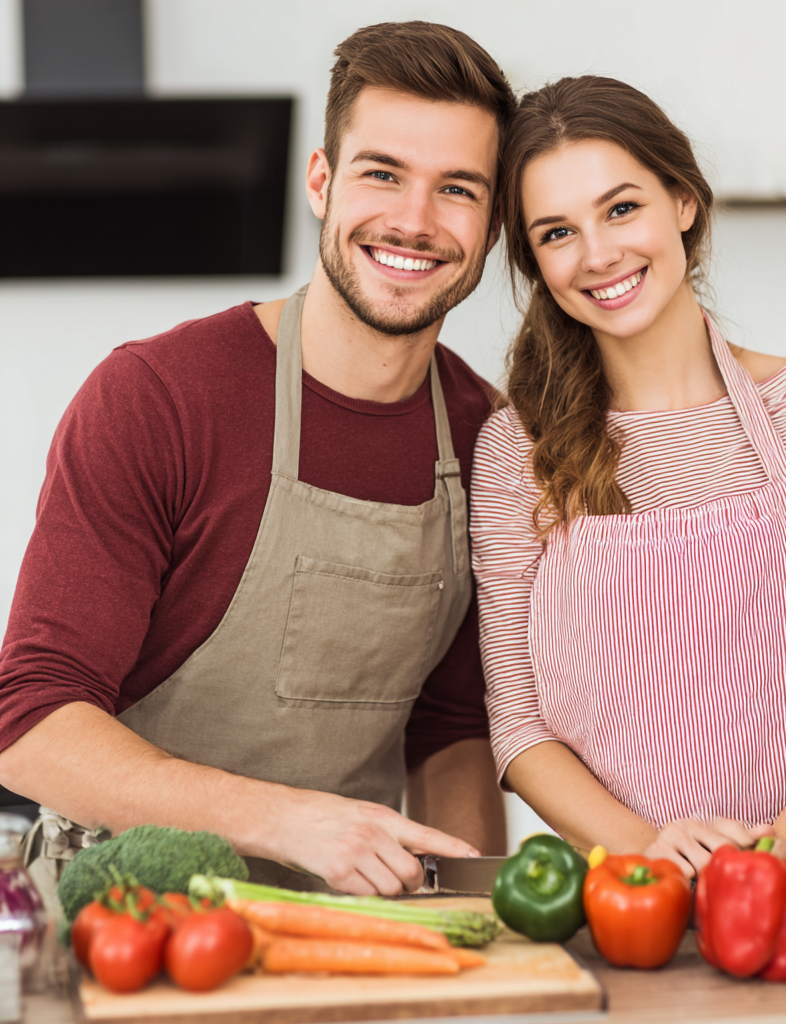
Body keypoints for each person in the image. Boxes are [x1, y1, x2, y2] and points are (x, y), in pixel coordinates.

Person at [0, 21, 516, 898]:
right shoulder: (159, 398)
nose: (414, 221)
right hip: (127, 920)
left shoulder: (488, 438)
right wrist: (285, 818)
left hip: (353, 928)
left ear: (494, 223)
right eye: (381, 173)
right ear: (320, 181)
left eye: (457, 189)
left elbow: (452, 725)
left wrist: (463, 919)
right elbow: (33, 721)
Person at [471, 76, 786, 880]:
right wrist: (648, 857)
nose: (598, 254)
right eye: (557, 232)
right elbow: (519, 724)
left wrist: (768, 867)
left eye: (621, 207)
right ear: (534, 260)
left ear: (683, 201)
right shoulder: (513, 452)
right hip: (628, 903)